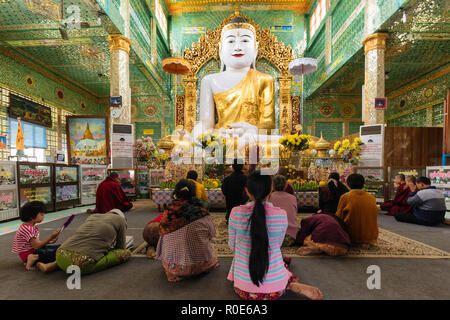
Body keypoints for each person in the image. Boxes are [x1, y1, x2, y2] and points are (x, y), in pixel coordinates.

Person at [228, 170, 323, 300]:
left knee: (240, 255)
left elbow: (232, 246)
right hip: (276, 290)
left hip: (244, 290)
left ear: (247, 191)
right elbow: (276, 246)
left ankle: (285, 283)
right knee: (280, 260)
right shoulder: (281, 214)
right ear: (271, 189)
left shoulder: (235, 213)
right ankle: (290, 283)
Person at [155, 179, 219, 282]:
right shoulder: (202, 212)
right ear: (194, 193)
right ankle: (200, 268)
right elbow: (211, 235)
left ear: (176, 193)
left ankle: (171, 272)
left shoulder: (168, 212)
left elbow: (161, 233)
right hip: (198, 265)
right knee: (213, 255)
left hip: (172, 266)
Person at [56, 209, 131, 275]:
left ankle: (54, 265)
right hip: (79, 263)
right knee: (125, 253)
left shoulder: (93, 216)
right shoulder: (121, 220)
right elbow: (121, 247)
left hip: (60, 255)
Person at [11, 201, 60, 272]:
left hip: (29, 252)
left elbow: (33, 244)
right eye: (41, 214)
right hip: (30, 253)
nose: (43, 216)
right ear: (32, 217)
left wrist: (48, 242)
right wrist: (51, 237)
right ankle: (34, 258)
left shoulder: (27, 226)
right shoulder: (28, 228)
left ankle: (36, 261)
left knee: (58, 247)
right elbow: (36, 246)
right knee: (58, 251)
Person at [336, 173, 379, 247]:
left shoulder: (345, 197)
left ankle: (355, 240)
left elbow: (339, 216)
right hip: (370, 236)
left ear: (348, 185)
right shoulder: (371, 197)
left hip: (352, 235)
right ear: (363, 184)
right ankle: (365, 241)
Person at [268, 175, 298, 246]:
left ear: (272, 186)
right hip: (290, 237)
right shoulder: (293, 198)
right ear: (286, 186)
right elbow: (295, 214)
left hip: (273, 237)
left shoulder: (269, 197)